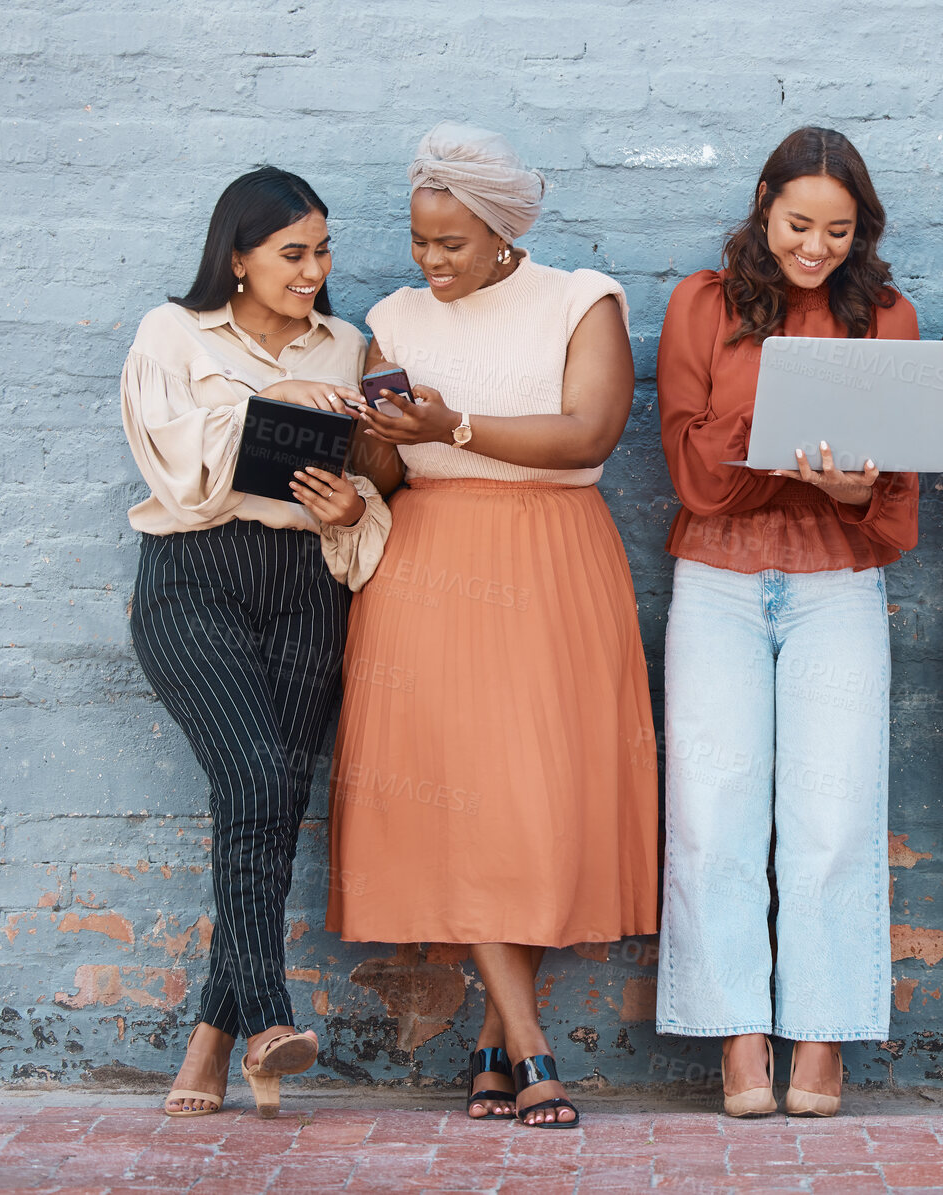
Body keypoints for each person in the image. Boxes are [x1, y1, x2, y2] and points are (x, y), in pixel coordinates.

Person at [325, 121, 658, 1129]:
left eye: (452, 244)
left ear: (503, 233)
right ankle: (529, 1047)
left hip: (553, 559)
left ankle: (486, 1042)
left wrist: (449, 425)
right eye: (421, 240)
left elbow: (587, 433)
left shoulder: (578, 299)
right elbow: (390, 470)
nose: (430, 261)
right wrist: (368, 443)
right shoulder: (390, 317)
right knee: (465, 806)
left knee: (539, 805)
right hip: (426, 567)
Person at [654, 126, 918, 1118]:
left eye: (837, 232)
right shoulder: (702, 304)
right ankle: (739, 1037)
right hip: (716, 580)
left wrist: (851, 487)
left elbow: (892, 500)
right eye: (798, 225)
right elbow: (687, 467)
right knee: (713, 812)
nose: (815, 249)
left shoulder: (885, 314)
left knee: (835, 812)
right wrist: (764, 417)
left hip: (836, 583)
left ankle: (821, 1038)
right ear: (763, 205)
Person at [121, 167, 389, 1119]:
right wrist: (285, 398)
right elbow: (180, 469)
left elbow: (366, 484)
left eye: (322, 250)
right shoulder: (172, 333)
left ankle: (215, 1040)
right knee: (255, 781)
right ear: (236, 258)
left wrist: (355, 503)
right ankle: (272, 1015)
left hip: (307, 580)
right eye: (291, 253)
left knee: (275, 807)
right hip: (195, 575)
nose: (314, 270)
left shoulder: (348, 343)